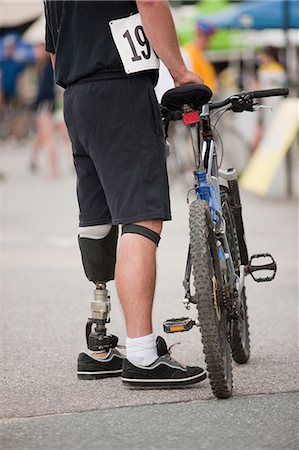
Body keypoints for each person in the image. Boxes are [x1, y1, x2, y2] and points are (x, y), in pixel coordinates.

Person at [44, 0, 207, 388]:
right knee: (140, 215)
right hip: (120, 87)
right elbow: (150, 1)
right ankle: (142, 353)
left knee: (98, 218)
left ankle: (99, 345)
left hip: (77, 95)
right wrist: (180, 72)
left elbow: (53, 47)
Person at [30, 44, 58, 177]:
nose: (34, 52)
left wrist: (36, 101)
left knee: (47, 137)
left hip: (45, 104)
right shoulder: (42, 66)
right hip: (46, 103)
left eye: (37, 49)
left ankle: (53, 169)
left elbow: (46, 90)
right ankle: (33, 160)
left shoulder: (47, 66)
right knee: (41, 135)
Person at [184, 19, 218, 94]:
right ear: (201, 35)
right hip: (201, 97)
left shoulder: (200, 53)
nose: (211, 41)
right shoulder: (189, 53)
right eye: (209, 37)